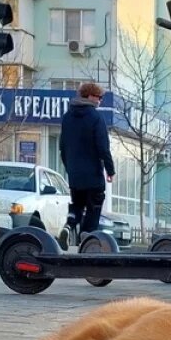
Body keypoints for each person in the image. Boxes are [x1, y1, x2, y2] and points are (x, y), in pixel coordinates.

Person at [59, 82, 115, 235]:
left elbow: (62, 147)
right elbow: (103, 147)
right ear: (90, 96)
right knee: (94, 207)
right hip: (93, 175)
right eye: (99, 97)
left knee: (77, 204)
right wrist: (110, 170)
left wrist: (70, 168)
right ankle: (87, 236)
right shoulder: (96, 117)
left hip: (75, 175)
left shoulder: (67, 117)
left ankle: (69, 225)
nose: (100, 101)